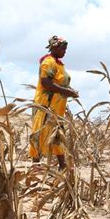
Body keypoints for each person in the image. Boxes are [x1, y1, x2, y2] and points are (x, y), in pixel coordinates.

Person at [28, 35, 79, 170]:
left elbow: (60, 83)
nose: (65, 51)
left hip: (57, 108)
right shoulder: (48, 62)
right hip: (46, 106)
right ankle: (36, 164)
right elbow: (46, 83)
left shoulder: (59, 64)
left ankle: (62, 165)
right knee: (41, 132)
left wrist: (70, 90)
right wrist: (67, 92)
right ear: (55, 48)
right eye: (63, 48)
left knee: (57, 133)